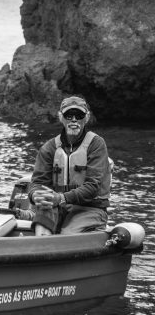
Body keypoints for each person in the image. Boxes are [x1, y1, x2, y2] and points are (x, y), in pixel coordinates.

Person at [28, 95, 111, 236]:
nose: (73, 120)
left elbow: (92, 187)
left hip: (89, 209)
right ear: (61, 117)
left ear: (87, 117)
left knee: (67, 234)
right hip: (57, 206)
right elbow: (37, 183)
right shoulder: (49, 148)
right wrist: (35, 195)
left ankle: (59, 245)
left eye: (78, 115)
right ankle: (41, 246)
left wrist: (60, 198)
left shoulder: (97, 144)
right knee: (43, 208)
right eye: (68, 115)